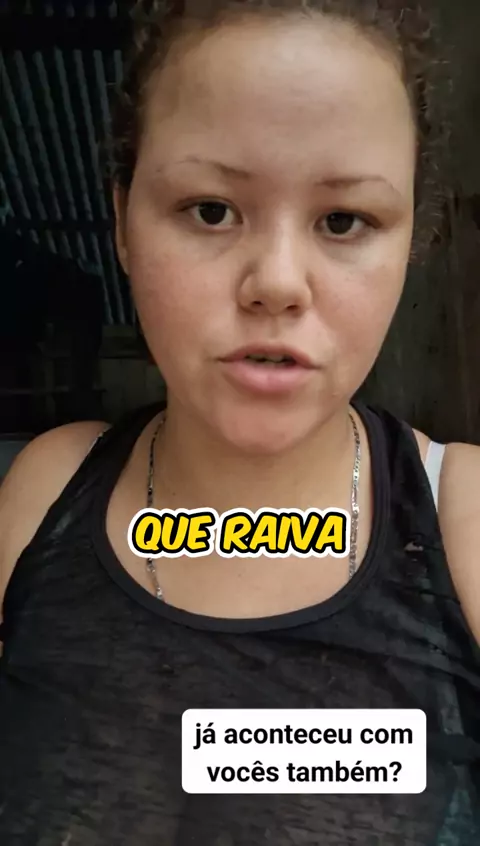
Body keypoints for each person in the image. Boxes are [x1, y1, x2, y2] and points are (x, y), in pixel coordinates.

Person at [0, 0, 479, 843]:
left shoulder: (466, 520)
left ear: (410, 241)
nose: (278, 283)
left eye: (344, 221)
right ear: (121, 222)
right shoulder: (45, 492)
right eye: (211, 210)